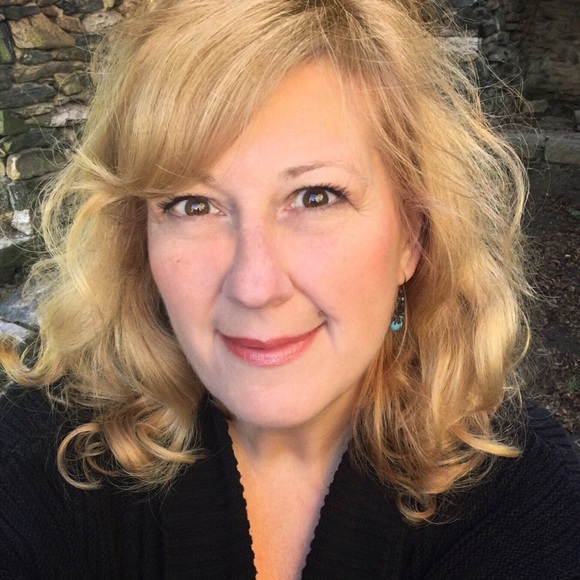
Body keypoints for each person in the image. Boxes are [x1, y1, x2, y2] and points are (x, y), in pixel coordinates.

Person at [0, 0, 578, 578]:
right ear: (139, 239)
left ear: (412, 236)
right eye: (193, 205)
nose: (254, 287)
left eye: (315, 197)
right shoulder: (43, 461)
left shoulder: (527, 500)